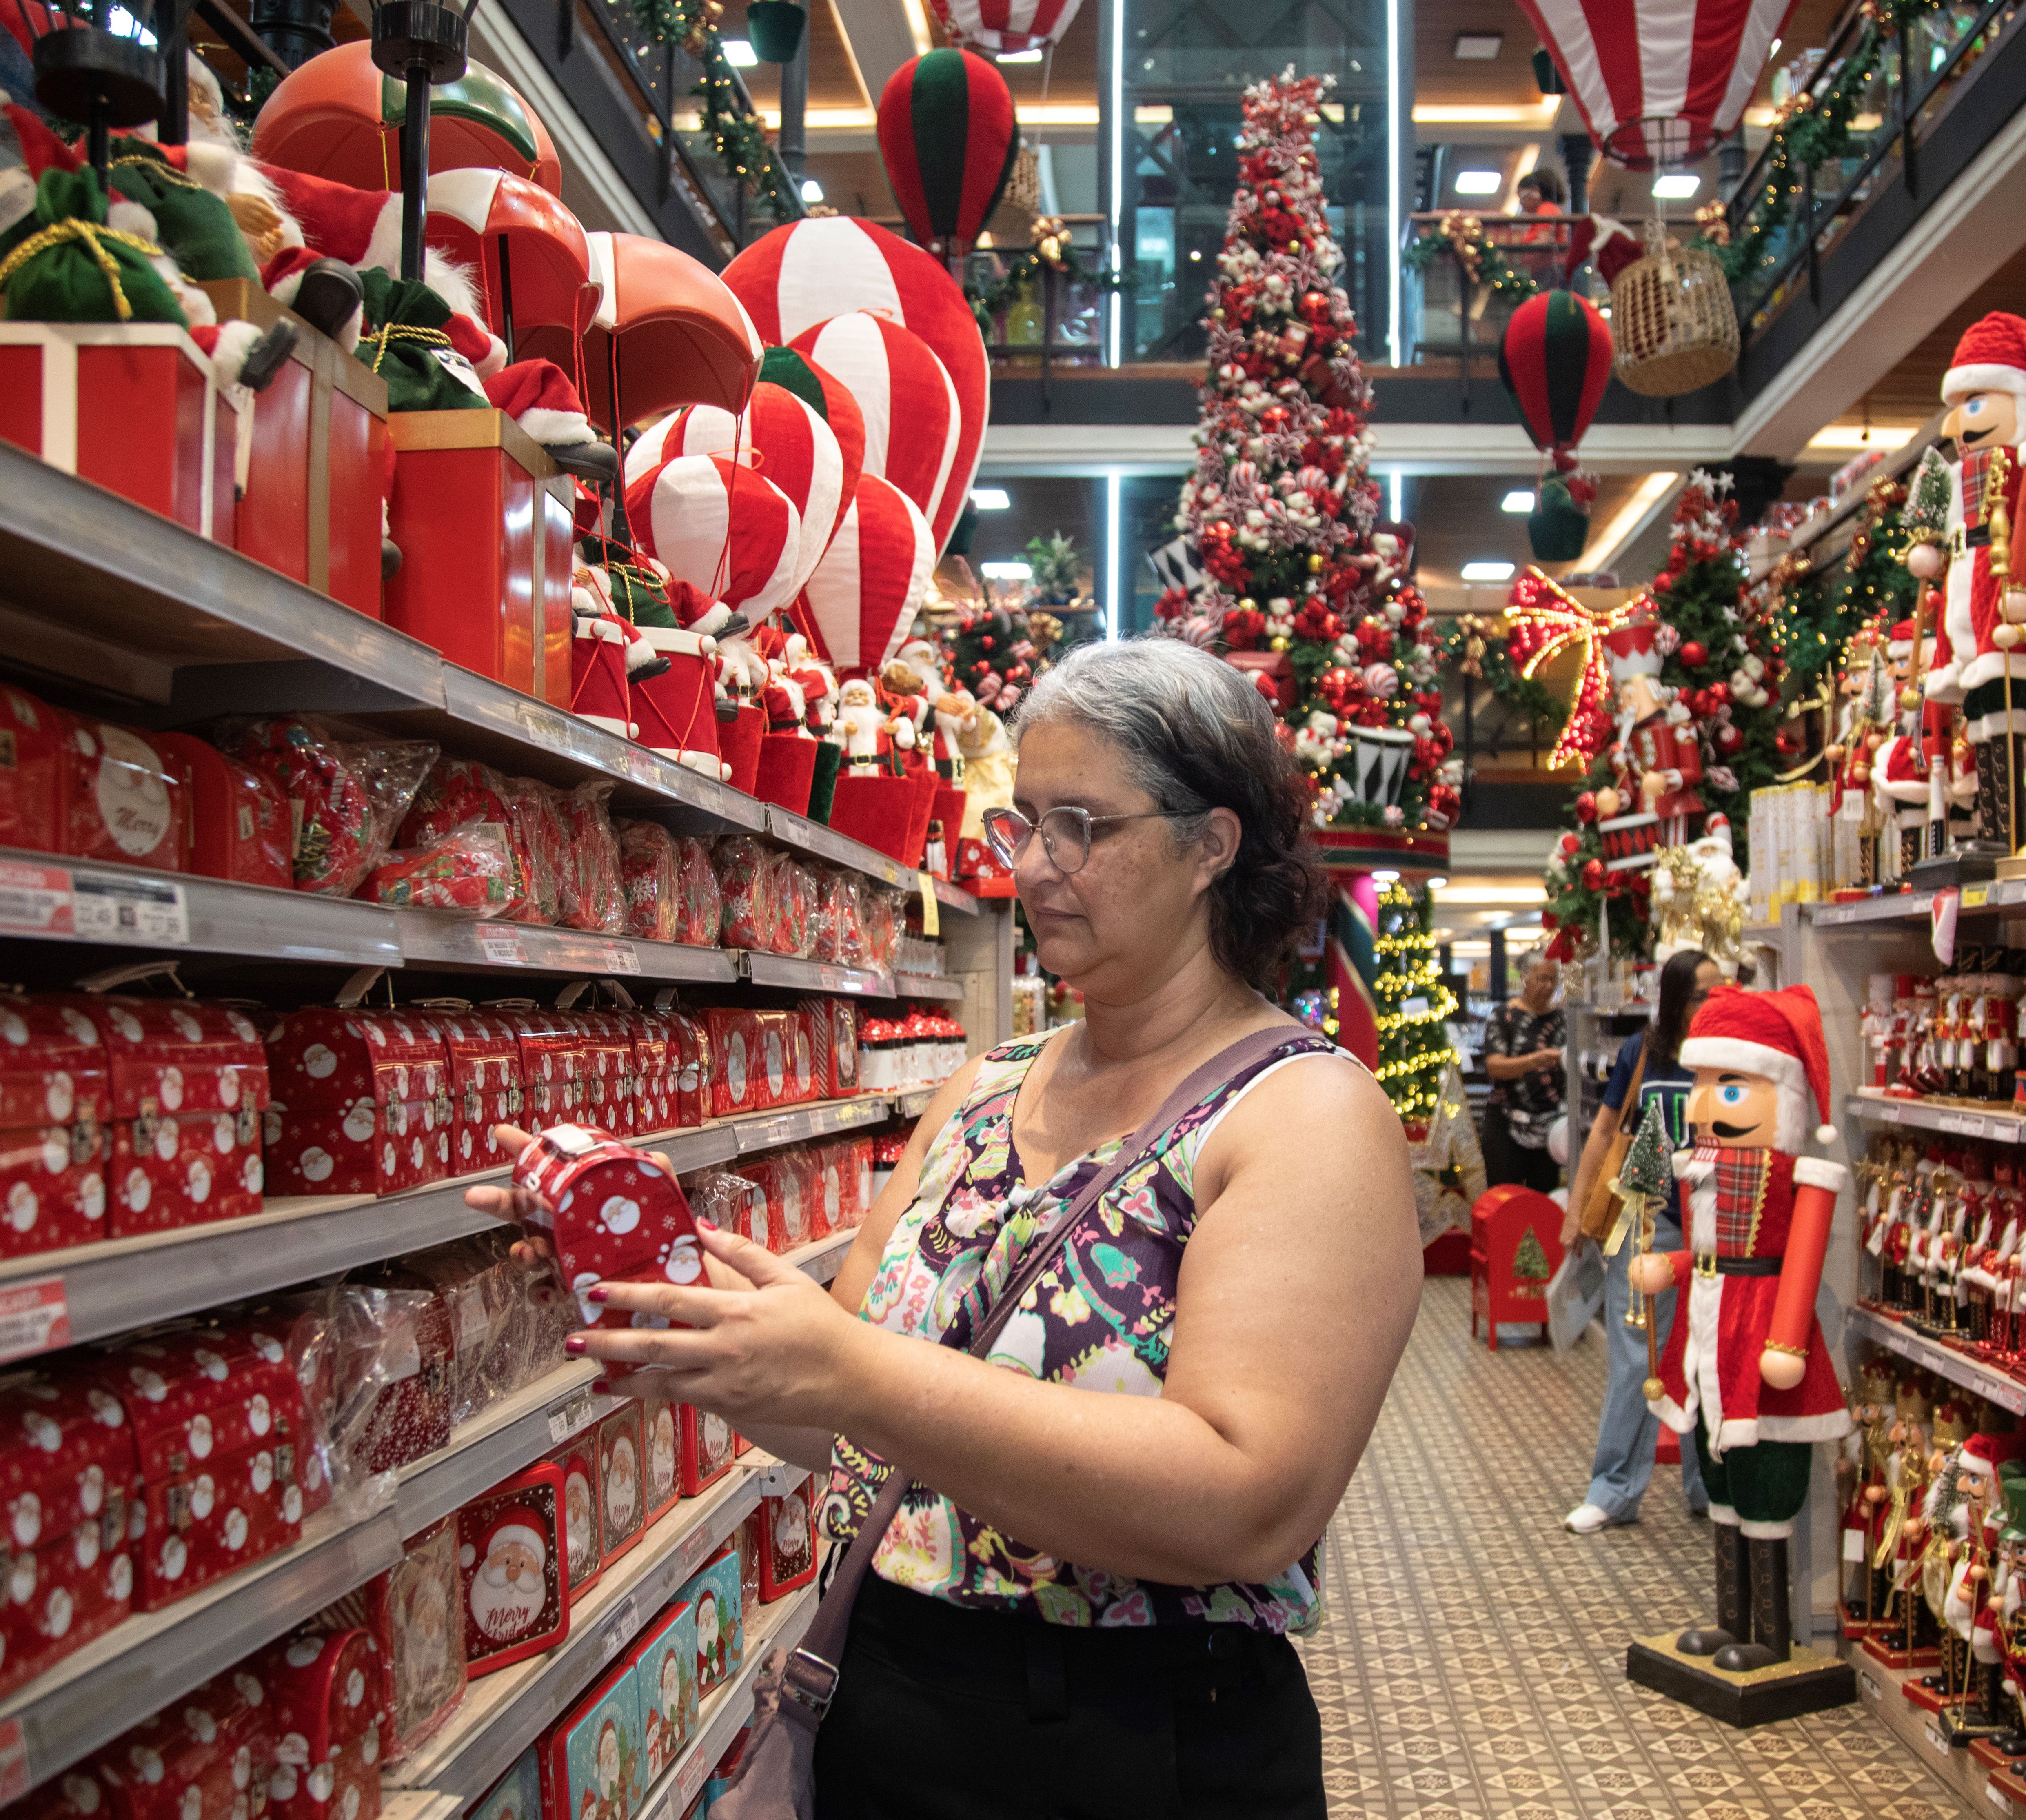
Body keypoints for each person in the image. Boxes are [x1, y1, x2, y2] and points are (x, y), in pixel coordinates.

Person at [470, 636, 1420, 1820]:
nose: (1032, 866)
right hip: (889, 1706)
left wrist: (852, 1367)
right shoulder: (982, 1093)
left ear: (1210, 848)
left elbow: (1249, 1499)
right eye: (1024, 822)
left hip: (1136, 1747)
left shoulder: (1302, 1114)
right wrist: (671, 1305)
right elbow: (851, 1424)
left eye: (1085, 825)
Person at [1559, 950, 1720, 1532]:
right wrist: (1576, 1210)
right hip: (1644, 1212)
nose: (1715, 1002)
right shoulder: (1643, 1052)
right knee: (1636, 1352)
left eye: (1721, 991)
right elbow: (1604, 1130)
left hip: (1716, 1216)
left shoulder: (1728, 1055)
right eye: (1705, 993)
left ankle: (1710, 1485)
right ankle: (1614, 1489)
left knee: (1709, 1352)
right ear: (1678, 998)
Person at [1481, 951, 1567, 1192]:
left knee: (1545, 1201)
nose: (1548, 986)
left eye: (1553, 979)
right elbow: (1495, 1066)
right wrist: (1535, 1061)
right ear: (1524, 978)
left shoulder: (1562, 1019)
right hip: (1506, 1123)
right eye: (1542, 979)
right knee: (1505, 1200)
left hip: (1551, 1127)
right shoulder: (1503, 1017)